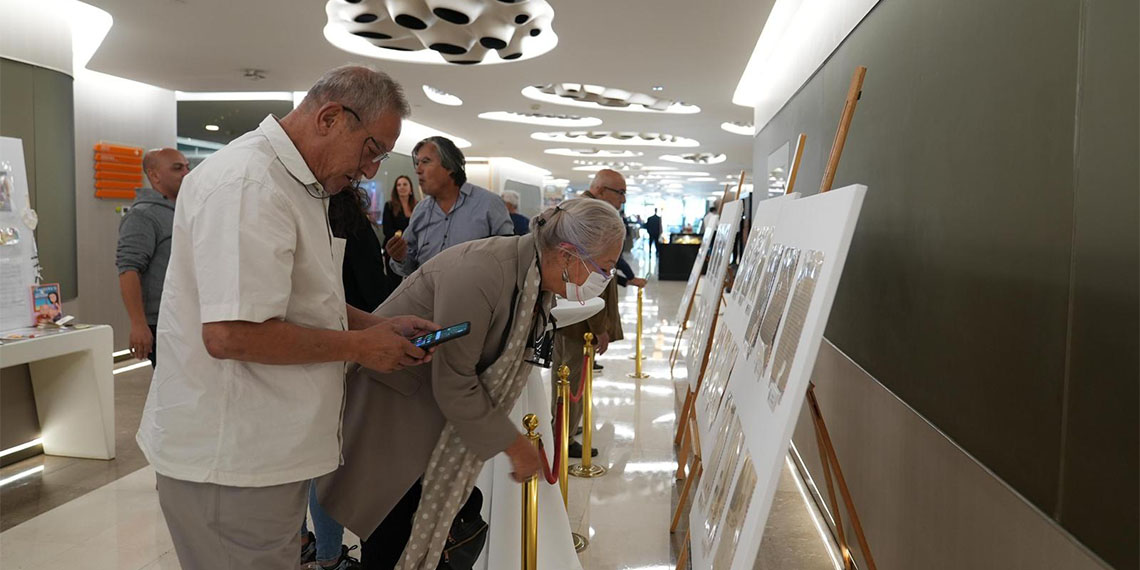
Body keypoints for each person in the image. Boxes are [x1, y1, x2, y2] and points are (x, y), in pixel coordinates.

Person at [135, 65, 438, 570]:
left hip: (265, 453)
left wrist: (373, 325)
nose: (369, 171)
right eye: (372, 150)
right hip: (230, 462)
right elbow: (232, 334)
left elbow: (296, 300)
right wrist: (361, 348)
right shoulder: (248, 183)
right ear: (330, 118)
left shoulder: (297, 183)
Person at [316, 198, 627, 569]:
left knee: (448, 530)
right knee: (394, 544)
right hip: (393, 420)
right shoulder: (483, 272)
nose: (604, 280)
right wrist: (515, 446)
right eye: (603, 269)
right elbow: (455, 383)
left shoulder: (533, 281)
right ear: (568, 255)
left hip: (430, 424)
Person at [553, 169, 645, 458]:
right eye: (620, 193)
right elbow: (587, 279)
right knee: (570, 375)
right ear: (602, 190)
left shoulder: (580, 211)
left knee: (567, 375)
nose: (623, 199)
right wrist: (599, 327)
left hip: (573, 315)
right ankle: (564, 438)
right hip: (579, 318)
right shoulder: (590, 218)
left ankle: (567, 427)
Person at [385, 136, 513, 276]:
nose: (418, 170)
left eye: (426, 162)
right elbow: (408, 269)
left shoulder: (489, 204)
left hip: (473, 296)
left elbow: (509, 260)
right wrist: (399, 257)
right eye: (417, 163)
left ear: (450, 166)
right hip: (427, 296)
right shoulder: (421, 210)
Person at [115, 148, 189, 365]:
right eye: (177, 168)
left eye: (187, 167)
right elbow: (128, 269)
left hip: (186, 317)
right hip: (162, 322)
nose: (186, 173)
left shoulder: (182, 210)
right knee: (173, 391)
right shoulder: (143, 215)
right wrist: (139, 324)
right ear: (154, 175)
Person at [381, 175, 416, 292]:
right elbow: (387, 230)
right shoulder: (389, 206)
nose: (401, 187)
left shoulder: (418, 207)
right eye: (399, 185)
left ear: (411, 188)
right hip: (394, 249)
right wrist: (404, 238)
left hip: (412, 251)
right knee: (394, 285)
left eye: (405, 184)